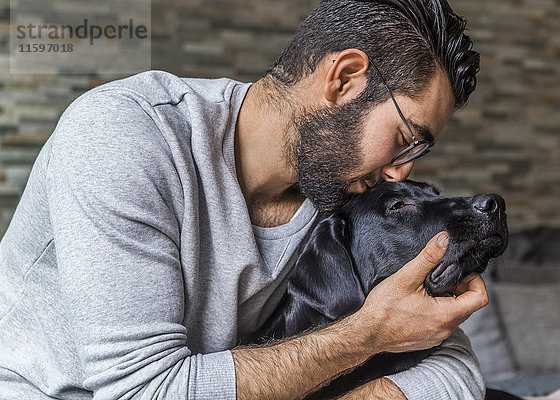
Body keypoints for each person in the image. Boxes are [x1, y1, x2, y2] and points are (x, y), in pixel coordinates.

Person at [0, 0, 488, 399]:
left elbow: (454, 363)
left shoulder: (336, 191)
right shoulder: (123, 135)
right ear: (344, 79)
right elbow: (143, 391)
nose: (401, 171)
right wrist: (367, 335)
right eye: (405, 137)